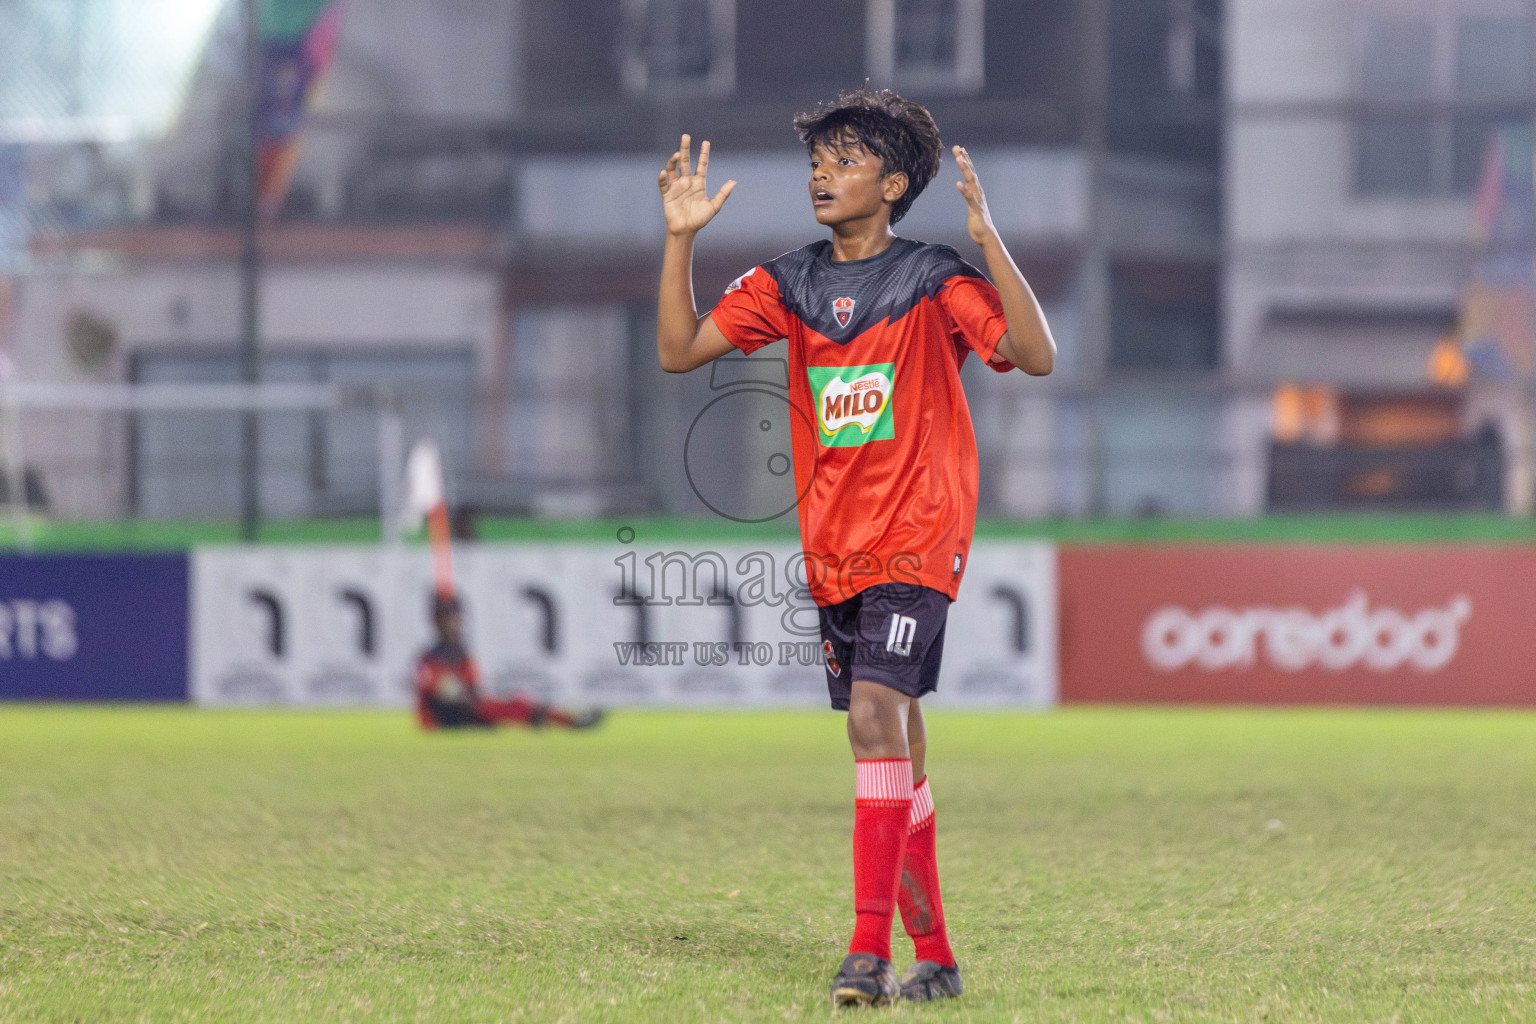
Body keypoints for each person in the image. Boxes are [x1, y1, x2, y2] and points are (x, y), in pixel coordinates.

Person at [654, 88, 1056, 1006]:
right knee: (894, 749)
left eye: (844, 159)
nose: (821, 173)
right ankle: (938, 958)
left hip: (919, 536)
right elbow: (679, 351)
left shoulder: (935, 278)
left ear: (896, 181)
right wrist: (679, 238)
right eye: (816, 160)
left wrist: (990, 240)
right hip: (835, 548)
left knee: (876, 715)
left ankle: (866, 954)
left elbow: (1034, 356)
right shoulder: (787, 283)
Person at [415, 593, 603, 731]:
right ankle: (566, 720)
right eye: (449, 619)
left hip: (466, 713)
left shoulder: (461, 653)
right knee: (509, 706)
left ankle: (561, 718)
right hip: (443, 719)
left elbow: (473, 688)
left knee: (514, 703)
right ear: (438, 622)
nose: (455, 624)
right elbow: (435, 695)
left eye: (456, 618)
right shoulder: (430, 657)